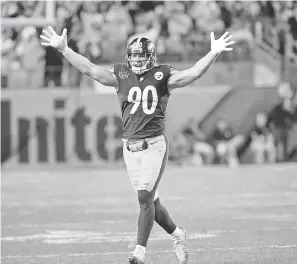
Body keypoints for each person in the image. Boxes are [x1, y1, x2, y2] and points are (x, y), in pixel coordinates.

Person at [40, 26, 234, 264]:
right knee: (151, 202)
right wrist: (64, 49)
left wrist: (212, 53)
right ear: (128, 57)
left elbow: (192, 73)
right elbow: (90, 69)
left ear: (151, 58)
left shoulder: (163, 75)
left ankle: (139, 253)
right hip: (129, 147)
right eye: (134, 56)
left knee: (144, 196)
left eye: (142, 56)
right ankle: (178, 235)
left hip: (154, 145)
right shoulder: (121, 74)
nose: (138, 60)